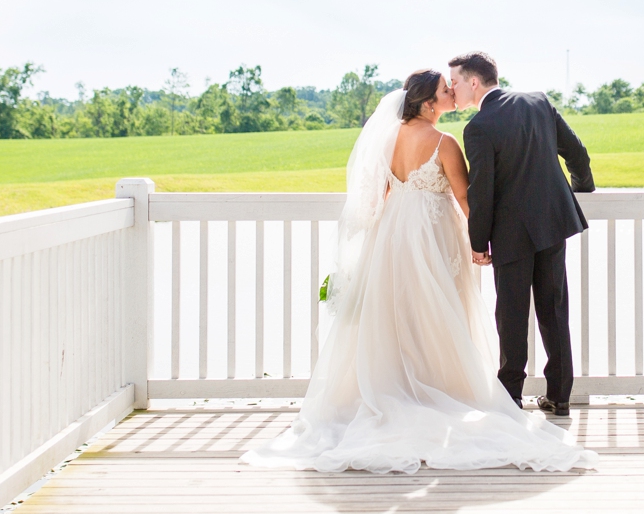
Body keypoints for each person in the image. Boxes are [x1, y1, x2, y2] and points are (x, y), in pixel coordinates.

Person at [242, 68, 595, 474]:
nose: (453, 93)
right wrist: (482, 242)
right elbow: (468, 195)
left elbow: (387, 192)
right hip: (461, 230)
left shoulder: (390, 137)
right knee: (476, 309)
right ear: (430, 103)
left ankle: (439, 390)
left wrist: (470, 240)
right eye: (447, 90)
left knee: (406, 312)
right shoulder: (457, 136)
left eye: (455, 85)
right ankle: (545, 393)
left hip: (393, 234)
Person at [450, 51, 595, 418]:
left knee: (512, 314)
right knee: (554, 308)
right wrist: (583, 187)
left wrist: (478, 242)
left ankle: (511, 397)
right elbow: (575, 151)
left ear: (474, 82)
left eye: (454, 82)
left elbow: (482, 191)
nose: (452, 89)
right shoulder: (538, 102)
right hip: (552, 222)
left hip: (512, 232)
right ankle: (560, 396)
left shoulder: (478, 127)